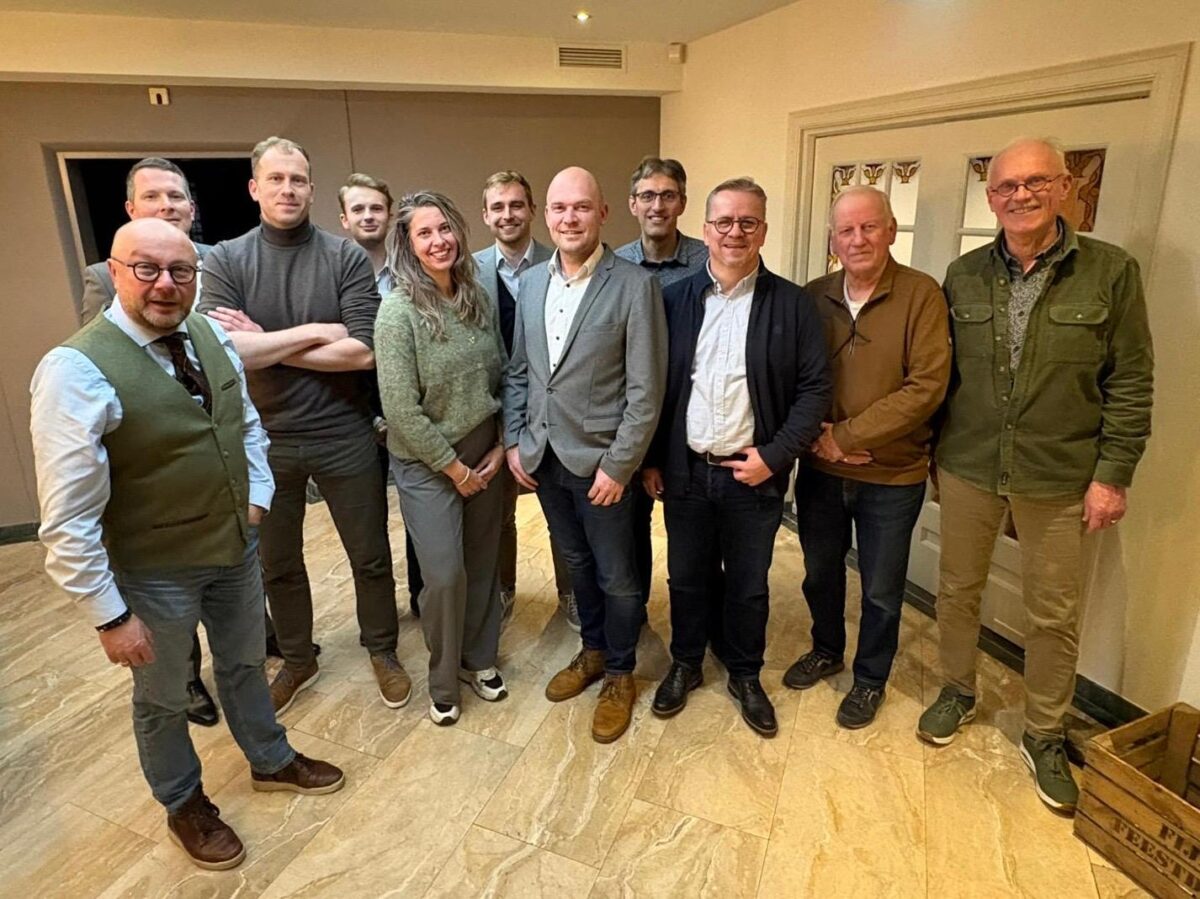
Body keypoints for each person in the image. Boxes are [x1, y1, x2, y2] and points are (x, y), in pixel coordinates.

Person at [31, 218, 344, 871]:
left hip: (234, 549)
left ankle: (270, 758)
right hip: (154, 570)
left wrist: (258, 497)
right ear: (114, 273)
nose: (166, 284)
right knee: (163, 694)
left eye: (181, 270)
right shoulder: (74, 370)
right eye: (146, 268)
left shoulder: (210, 335)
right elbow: (66, 519)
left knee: (243, 664)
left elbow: (245, 423)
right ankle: (183, 802)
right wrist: (110, 616)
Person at [918, 138, 1154, 814]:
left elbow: (1131, 379)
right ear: (991, 198)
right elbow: (942, 375)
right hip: (968, 464)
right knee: (957, 590)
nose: (1020, 195)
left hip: (1060, 474)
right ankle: (958, 689)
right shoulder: (963, 274)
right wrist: (930, 454)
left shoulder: (1111, 272)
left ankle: (1045, 730)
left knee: (1053, 612)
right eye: (1006, 186)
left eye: (1036, 182)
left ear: (1064, 188)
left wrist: (1113, 474)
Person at [198, 137, 407, 716]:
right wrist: (317, 332)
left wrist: (265, 341)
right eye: (276, 179)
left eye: (297, 180)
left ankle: (382, 649)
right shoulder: (226, 259)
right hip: (264, 441)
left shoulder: (344, 257)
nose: (287, 189)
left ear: (312, 189)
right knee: (279, 565)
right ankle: (297, 658)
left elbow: (363, 351)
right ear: (254, 188)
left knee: (370, 556)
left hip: (345, 434)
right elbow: (227, 351)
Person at [643, 177, 829, 737]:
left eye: (748, 222)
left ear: (763, 231)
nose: (734, 232)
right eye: (723, 222)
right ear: (705, 230)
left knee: (749, 584)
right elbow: (655, 387)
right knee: (686, 578)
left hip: (753, 475)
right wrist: (653, 459)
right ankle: (686, 663)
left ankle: (746, 674)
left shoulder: (793, 304)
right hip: (686, 471)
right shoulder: (674, 300)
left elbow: (814, 391)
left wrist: (774, 456)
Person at [503, 166, 666, 744]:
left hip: (603, 467)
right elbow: (520, 373)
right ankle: (593, 650)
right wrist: (514, 441)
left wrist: (620, 465)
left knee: (619, 576)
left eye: (580, 207)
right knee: (577, 566)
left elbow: (646, 391)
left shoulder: (634, 286)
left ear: (603, 213)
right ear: (546, 216)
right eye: (559, 208)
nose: (569, 218)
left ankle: (620, 673)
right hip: (545, 461)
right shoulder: (530, 284)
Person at [785, 186, 950, 730]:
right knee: (819, 573)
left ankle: (871, 677)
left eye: (869, 227)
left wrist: (847, 436)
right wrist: (816, 440)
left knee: (881, 589)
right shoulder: (812, 296)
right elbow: (791, 375)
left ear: (891, 230)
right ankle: (826, 649)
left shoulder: (922, 295)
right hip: (820, 470)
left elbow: (926, 387)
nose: (858, 239)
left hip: (892, 475)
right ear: (833, 240)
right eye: (846, 230)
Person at [77, 155, 219, 727]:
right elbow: (105, 362)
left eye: (176, 196)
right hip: (153, 473)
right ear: (131, 210)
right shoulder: (100, 280)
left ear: (192, 207)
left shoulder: (215, 262)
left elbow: (233, 353)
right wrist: (109, 616)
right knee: (168, 608)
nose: (167, 206)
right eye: (153, 196)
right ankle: (185, 682)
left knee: (231, 587)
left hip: (218, 465)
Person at [376, 191, 508, 726]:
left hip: (485, 450)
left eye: (445, 228)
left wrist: (500, 444)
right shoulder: (397, 312)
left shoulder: (477, 297)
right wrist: (454, 468)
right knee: (446, 574)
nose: (439, 241)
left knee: (482, 564)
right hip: (427, 462)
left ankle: (479, 658)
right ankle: (444, 678)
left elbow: (502, 374)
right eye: (425, 233)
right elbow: (399, 409)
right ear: (408, 245)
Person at [615, 156, 715, 640]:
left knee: (692, 539)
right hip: (629, 424)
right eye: (648, 196)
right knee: (628, 531)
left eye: (668, 195)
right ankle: (632, 615)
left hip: (688, 422)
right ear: (633, 204)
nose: (658, 205)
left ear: (682, 203)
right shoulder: (613, 267)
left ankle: (696, 628)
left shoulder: (709, 261)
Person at [473, 170, 575, 630]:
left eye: (516, 205)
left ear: (533, 210)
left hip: (553, 410)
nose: (508, 214)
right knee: (499, 514)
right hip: (489, 408)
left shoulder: (562, 263)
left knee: (561, 513)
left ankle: (571, 592)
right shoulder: (468, 271)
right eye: (498, 207)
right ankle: (504, 587)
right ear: (485, 215)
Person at [337, 172, 424, 619]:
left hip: (410, 415)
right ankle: (380, 617)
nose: (368, 216)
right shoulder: (332, 276)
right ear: (344, 218)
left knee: (419, 516)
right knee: (367, 527)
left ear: (390, 216)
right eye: (358, 209)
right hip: (355, 416)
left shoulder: (412, 275)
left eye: (376, 208)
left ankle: (423, 601)